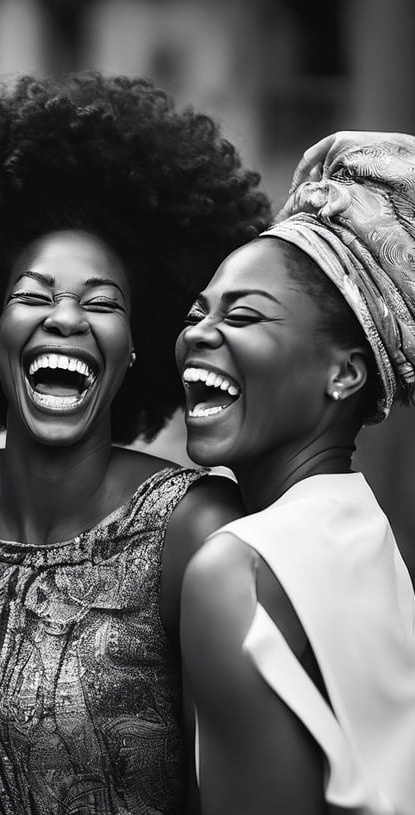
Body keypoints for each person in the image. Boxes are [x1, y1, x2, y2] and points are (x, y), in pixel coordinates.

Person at [0, 72, 271, 815]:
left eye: (101, 302)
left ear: (137, 346)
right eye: (33, 295)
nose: (66, 318)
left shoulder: (195, 523)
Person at [176, 131, 415, 815]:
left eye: (243, 315)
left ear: (344, 373)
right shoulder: (367, 538)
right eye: (198, 312)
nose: (197, 333)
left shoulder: (237, 572)